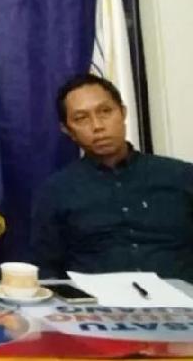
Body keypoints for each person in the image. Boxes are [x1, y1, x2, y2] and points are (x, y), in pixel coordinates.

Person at [32, 73, 193, 281]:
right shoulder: (56, 191)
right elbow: (46, 270)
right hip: (95, 300)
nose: (97, 126)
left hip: (181, 297)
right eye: (81, 118)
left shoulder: (181, 176)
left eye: (105, 111)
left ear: (123, 113)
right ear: (67, 130)